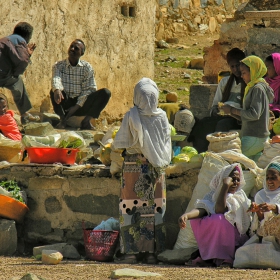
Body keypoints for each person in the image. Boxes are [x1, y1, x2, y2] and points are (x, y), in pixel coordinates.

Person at [113, 77, 172, 264]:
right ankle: (152, 254)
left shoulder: (132, 115)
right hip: (156, 170)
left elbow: (121, 143)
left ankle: (130, 253)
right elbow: (165, 143)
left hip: (133, 169)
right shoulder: (162, 116)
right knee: (154, 211)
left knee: (130, 209)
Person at [178, 163, 251, 267]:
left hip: (234, 238)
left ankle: (226, 257)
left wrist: (226, 185)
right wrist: (186, 216)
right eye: (232, 179)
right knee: (196, 220)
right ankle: (209, 256)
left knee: (219, 218)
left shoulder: (239, 196)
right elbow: (203, 208)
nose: (235, 182)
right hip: (219, 237)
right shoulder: (212, 195)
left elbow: (219, 210)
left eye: (237, 180)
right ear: (223, 179)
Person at [188, 48, 246, 153]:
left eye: (237, 65)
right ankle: (201, 153)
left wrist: (232, 111)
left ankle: (217, 152)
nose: (235, 69)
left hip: (237, 118)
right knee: (203, 124)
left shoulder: (247, 81)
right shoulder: (225, 82)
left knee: (222, 125)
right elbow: (215, 104)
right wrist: (216, 110)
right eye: (232, 66)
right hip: (223, 114)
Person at [222, 56, 274, 162]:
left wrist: (232, 110)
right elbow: (246, 117)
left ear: (253, 71)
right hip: (255, 138)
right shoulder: (252, 87)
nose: (241, 76)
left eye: (244, 72)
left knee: (232, 160)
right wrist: (230, 111)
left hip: (255, 138)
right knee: (252, 172)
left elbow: (254, 114)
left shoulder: (257, 89)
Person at [50, 39, 111, 130]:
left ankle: (86, 121)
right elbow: (56, 79)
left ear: (81, 53)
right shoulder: (59, 65)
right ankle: (63, 119)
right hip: (65, 103)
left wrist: (76, 106)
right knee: (54, 91)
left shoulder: (87, 68)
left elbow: (89, 89)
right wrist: (57, 90)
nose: (72, 49)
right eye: (71, 46)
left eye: (76, 48)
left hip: (81, 105)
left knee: (106, 93)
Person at [0, 22, 39, 125]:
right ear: (27, 36)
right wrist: (28, 55)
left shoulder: (6, 39)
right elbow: (21, 61)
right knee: (18, 82)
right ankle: (24, 114)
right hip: (2, 74)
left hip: (3, 73)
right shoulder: (19, 40)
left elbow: (13, 57)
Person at [249, 162, 280, 242]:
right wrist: (257, 210)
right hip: (269, 233)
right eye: (267, 177)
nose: (269, 181)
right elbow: (262, 222)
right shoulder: (261, 195)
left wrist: (274, 207)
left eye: (273, 177)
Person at [264, 53, 280, 117]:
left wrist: (270, 107)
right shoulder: (264, 82)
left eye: (268, 68)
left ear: (277, 67)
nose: (265, 70)